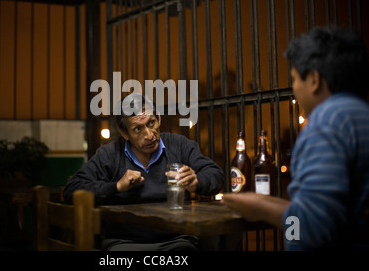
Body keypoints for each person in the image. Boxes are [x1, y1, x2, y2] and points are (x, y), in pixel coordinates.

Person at [222, 27, 369, 250]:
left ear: (313, 79)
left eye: (294, 79)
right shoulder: (360, 114)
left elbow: (312, 230)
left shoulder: (326, 122)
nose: (294, 88)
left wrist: (261, 210)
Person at [64, 93, 224, 251]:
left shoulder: (179, 145)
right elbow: (72, 189)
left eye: (151, 123)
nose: (149, 135)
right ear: (124, 133)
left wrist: (197, 181)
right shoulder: (109, 154)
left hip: (177, 240)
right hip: (125, 243)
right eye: (138, 129)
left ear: (159, 118)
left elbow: (215, 174)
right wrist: (117, 187)